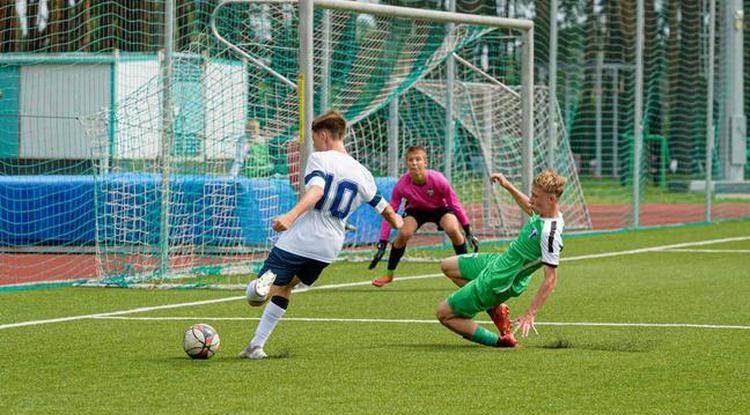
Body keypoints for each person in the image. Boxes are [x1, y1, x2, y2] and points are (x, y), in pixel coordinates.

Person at [239, 110, 403, 359]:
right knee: (287, 287)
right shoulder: (362, 172)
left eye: (315, 138)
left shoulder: (320, 159)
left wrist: (290, 216)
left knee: (256, 296)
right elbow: (387, 211)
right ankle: (256, 346)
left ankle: (259, 287)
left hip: (302, 237)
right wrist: (399, 222)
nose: (314, 144)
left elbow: (316, 191)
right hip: (329, 247)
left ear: (324, 135)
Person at [436, 170, 566, 348]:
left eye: (536, 196)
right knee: (447, 266)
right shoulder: (546, 213)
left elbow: (551, 279)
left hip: (499, 279)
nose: (531, 199)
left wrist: (530, 313)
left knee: (444, 314)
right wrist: (507, 185)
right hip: (498, 261)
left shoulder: (549, 234)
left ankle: (500, 341)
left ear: (551, 199)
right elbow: (529, 208)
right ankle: (495, 308)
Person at [369, 145, 479, 287]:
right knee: (404, 233)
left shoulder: (439, 180)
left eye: (418, 159)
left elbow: (455, 204)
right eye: (410, 160)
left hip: (441, 208)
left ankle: (465, 270)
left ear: (425, 162)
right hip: (416, 210)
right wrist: (382, 242)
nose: (414, 163)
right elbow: (390, 212)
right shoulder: (401, 185)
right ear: (406, 163)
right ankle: (389, 274)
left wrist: (468, 230)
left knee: (453, 229)